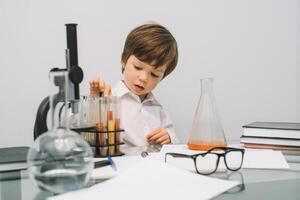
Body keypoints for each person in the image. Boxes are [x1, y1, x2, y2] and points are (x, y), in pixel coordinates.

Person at [89, 23, 179, 147]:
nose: (143, 78)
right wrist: (94, 102)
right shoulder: (109, 99)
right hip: (123, 164)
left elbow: (174, 139)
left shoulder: (158, 108)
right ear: (124, 61)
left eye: (154, 74)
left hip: (154, 164)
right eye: (137, 67)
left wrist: (168, 137)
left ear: (162, 77)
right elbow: (91, 136)